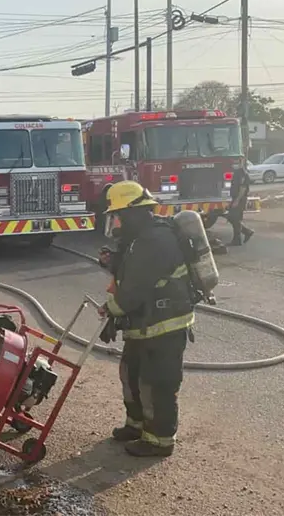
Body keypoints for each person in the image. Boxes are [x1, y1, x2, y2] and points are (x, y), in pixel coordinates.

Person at [97, 181, 196, 458]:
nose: (116, 221)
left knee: (157, 383)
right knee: (131, 375)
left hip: (164, 325)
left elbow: (134, 289)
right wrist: (113, 260)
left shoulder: (155, 240)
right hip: (144, 323)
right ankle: (137, 425)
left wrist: (110, 311)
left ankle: (159, 441)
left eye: (119, 215)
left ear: (133, 213)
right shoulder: (139, 238)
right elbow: (130, 270)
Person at [227, 160, 255, 246]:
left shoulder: (243, 174)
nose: (234, 165)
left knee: (234, 218)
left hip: (240, 199)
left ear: (241, 164)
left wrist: (237, 200)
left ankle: (240, 237)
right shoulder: (236, 173)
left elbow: (243, 189)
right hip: (235, 198)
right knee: (233, 218)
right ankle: (244, 234)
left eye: (236, 163)